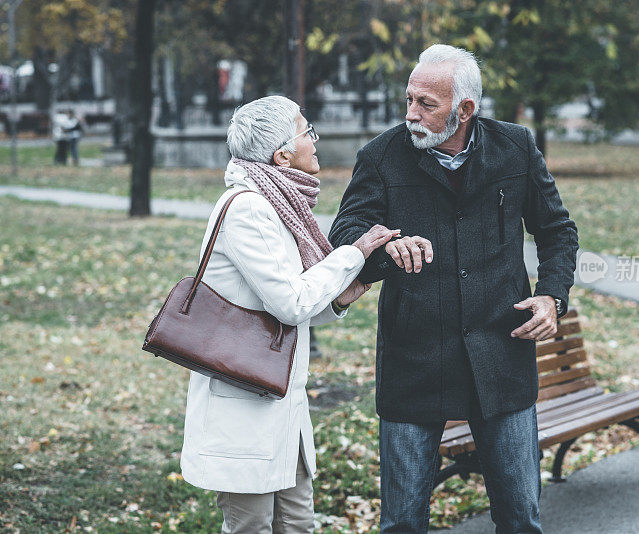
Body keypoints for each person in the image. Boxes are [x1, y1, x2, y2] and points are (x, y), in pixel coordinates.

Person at [329, 44, 579, 533]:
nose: (411, 115)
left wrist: (553, 295)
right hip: (414, 361)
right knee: (401, 523)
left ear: (465, 110)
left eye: (426, 104)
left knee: (521, 518)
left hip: (501, 356)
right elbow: (346, 231)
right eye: (408, 100)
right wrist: (380, 253)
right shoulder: (380, 156)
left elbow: (557, 231)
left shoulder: (516, 147)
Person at [179, 95, 398, 533]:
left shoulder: (281, 207)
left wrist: (338, 299)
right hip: (245, 406)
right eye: (306, 131)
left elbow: (285, 309)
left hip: (283, 409)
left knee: (298, 523)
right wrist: (352, 254)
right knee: (252, 527)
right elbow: (290, 302)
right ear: (282, 154)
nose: (314, 140)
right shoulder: (248, 209)